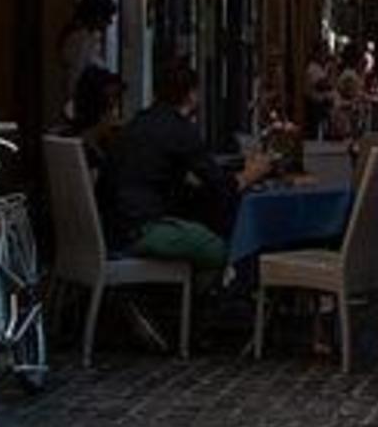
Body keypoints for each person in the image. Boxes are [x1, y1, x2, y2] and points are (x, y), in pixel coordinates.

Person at [101, 58, 261, 277]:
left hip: (113, 229)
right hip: (143, 230)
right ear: (192, 94)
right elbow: (221, 185)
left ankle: (188, 299)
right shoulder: (180, 130)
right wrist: (252, 173)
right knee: (221, 250)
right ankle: (207, 302)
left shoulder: (137, 124)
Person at [57, 0, 119, 123]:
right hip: (85, 107)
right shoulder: (81, 40)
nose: (109, 23)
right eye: (106, 18)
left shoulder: (86, 38)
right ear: (96, 16)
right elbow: (75, 76)